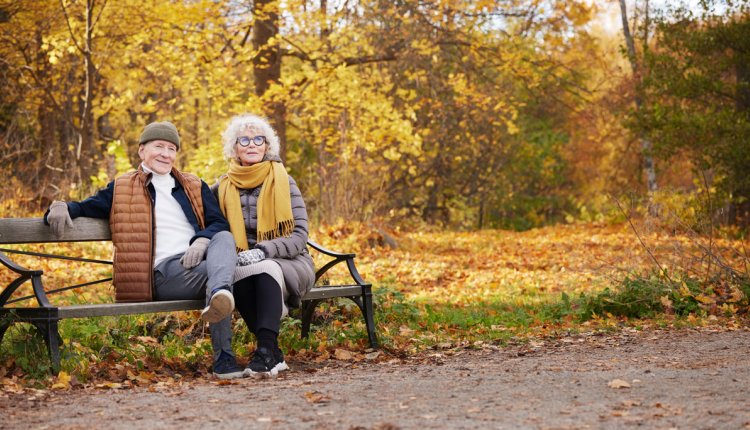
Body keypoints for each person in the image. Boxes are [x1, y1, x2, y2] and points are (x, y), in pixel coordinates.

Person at [45, 121, 244, 379]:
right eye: (158, 146)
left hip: (199, 264)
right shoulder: (122, 188)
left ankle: (221, 300)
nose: (165, 154)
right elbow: (85, 207)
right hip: (162, 273)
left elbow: (218, 222)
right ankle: (225, 358)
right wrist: (60, 206)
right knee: (231, 276)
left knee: (224, 240)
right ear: (141, 151)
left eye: (171, 148)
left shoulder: (193, 185)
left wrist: (201, 240)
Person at [213, 113, 315, 378]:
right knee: (234, 274)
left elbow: (299, 235)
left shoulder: (283, 180)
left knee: (265, 267)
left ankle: (266, 351)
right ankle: (271, 352)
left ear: (267, 146)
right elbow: (207, 223)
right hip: (242, 261)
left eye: (259, 139)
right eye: (244, 139)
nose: (252, 144)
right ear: (234, 148)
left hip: (288, 259)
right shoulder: (222, 187)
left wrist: (263, 250)